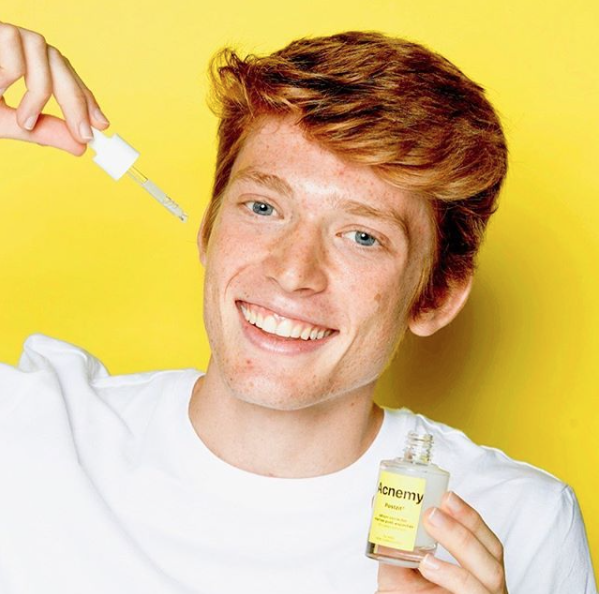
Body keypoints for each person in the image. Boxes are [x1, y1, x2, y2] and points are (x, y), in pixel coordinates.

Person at [0, 21, 595, 594]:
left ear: (435, 295)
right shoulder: (28, 430)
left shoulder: (522, 522)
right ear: (208, 229)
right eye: (263, 208)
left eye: (362, 237)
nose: (292, 271)